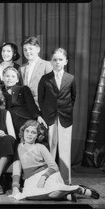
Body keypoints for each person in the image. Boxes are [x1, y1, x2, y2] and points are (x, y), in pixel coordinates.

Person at [10, 120, 99, 201]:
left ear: (38, 135)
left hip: (47, 174)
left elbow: (54, 166)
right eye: (27, 131)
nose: (29, 134)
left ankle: (79, 189)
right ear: (23, 131)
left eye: (33, 132)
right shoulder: (18, 148)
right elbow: (16, 170)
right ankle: (66, 196)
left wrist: (43, 177)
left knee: (54, 191)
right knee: (28, 195)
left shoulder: (40, 147)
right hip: (30, 178)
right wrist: (15, 187)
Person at [1, 66, 47, 196]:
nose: (9, 78)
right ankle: (17, 184)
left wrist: (38, 117)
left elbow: (31, 105)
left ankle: (29, 181)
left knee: (24, 146)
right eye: (7, 76)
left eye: (13, 76)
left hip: (24, 122)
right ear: (3, 78)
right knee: (16, 147)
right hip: (9, 125)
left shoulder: (23, 89)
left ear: (17, 79)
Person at [38, 48, 76, 185]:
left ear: (65, 61)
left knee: (65, 149)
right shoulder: (45, 78)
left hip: (65, 117)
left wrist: (65, 110)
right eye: (55, 60)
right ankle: (49, 180)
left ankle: (66, 181)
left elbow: (73, 98)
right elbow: (41, 99)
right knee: (51, 148)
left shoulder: (70, 78)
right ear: (51, 62)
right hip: (49, 117)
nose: (57, 62)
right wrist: (46, 113)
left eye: (60, 59)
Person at [18, 37, 52, 108]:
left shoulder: (47, 65)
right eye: (25, 50)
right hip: (26, 107)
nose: (28, 52)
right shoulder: (21, 68)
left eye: (30, 49)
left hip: (42, 107)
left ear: (38, 49)